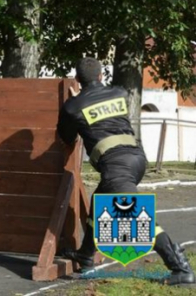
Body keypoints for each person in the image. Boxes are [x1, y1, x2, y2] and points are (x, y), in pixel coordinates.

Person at [58, 57, 194, 285]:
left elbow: (66, 138)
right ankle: (85, 253)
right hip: (137, 158)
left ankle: (180, 268)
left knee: (138, 218)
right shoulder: (119, 93)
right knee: (99, 199)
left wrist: (73, 105)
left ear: (77, 79)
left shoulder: (73, 106)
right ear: (101, 76)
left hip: (115, 165)